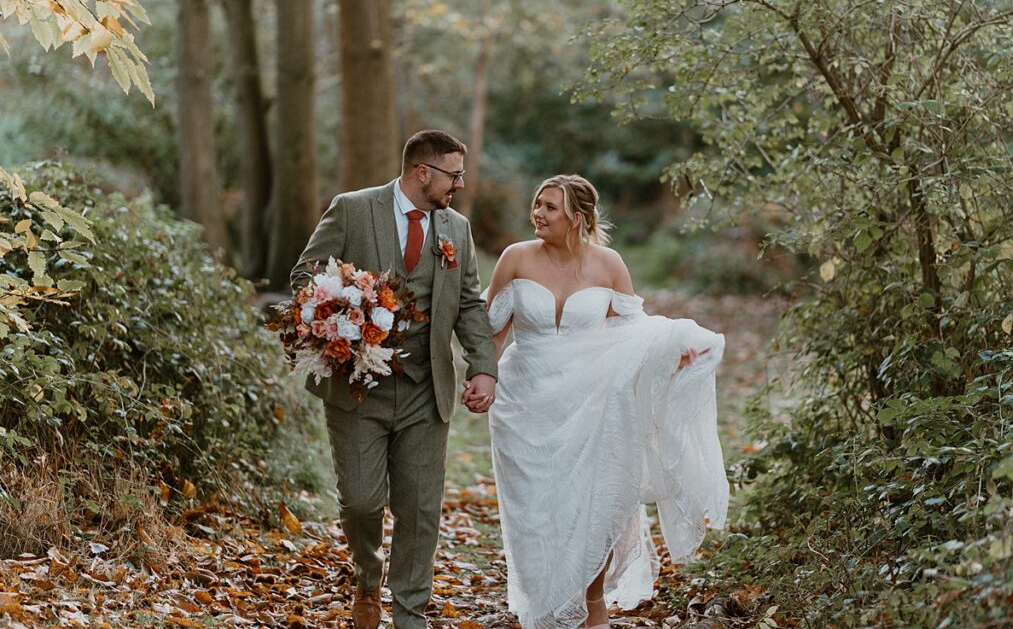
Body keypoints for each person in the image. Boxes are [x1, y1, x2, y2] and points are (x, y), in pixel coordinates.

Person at [485, 174, 729, 629]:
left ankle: (591, 609)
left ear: (577, 218)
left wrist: (676, 357)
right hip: (525, 407)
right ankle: (545, 609)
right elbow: (493, 332)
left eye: (549, 207)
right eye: (536, 203)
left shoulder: (609, 264)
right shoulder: (514, 259)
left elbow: (633, 337)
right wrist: (480, 377)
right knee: (536, 516)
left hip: (594, 404)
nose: (537, 212)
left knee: (591, 505)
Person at [290, 130, 498, 629]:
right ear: (422, 172)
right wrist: (346, 307)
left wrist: (484, 367)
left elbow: (469, 302)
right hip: (358, 386)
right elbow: (305, 276)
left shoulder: (457, 230)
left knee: (421, 509)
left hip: (428, 389)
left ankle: (409, 615)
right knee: (362, 501)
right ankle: (367, 575)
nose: (460, 184)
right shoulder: (352, 209)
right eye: (453, 174)